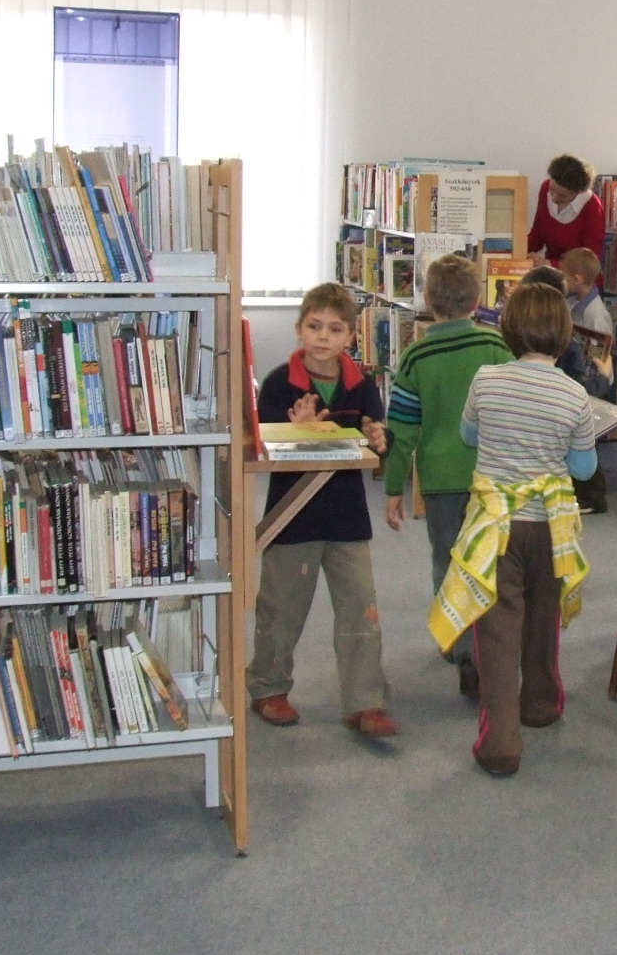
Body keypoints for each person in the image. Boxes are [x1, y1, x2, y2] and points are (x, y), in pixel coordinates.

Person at [431, 282, 597, 777]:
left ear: (507, 330)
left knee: (497, 631)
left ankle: (501, 741)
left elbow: (468, 434)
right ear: (565, 334)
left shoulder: (486, 380)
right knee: (544, 618)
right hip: (550, 529)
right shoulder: (575, 394)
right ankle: (541, 702)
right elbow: (585, 468)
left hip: (495, 527)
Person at [249, 282, 396, 737]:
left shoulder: (362, 384)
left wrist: (380, 439)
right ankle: (269, 687)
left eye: (334, 329)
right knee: (281, 609)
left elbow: (375, 438)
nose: (323, 337)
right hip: (293, 517)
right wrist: (296, 432)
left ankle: (365, 701)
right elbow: (263, 448)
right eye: (314, 326)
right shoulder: (278, 383)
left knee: (361, 609)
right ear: (299, 329)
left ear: (351, 336)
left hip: (348, 516)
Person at [383, 253, 513, 701]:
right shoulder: (496, 346)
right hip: (491, 475)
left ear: (427, 300)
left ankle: (458, 642)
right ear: (478, 300)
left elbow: (401, 429)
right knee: (490, 559)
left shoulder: (416, 355)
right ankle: (488, 646)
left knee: (448, 558)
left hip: (439, 480)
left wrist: (393, 487)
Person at [521, 266, 613, 511]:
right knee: (580, 430)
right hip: (559, 430)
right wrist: (603, 378)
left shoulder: (518, 340)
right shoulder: (566, 344)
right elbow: (579, 391)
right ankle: (589, 497)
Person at [526, 153, 605, 268]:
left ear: (578, 193)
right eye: (552, 189)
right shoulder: (545, 188)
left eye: (563, 196)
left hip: (578, 276)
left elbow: (590, 263)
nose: (554, 198)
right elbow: (537, 236)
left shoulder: (593, 208)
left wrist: (549, 263)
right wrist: (511, 249)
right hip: (551, 271)